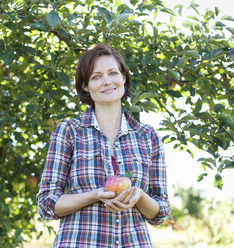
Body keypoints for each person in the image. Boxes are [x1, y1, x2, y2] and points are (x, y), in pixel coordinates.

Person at [37, 44, 170, 247]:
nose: (107, 81)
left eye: (113, 73)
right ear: (85, 86)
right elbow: (47, 203)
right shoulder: (69, 132)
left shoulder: (147, 136)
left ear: (123, 77)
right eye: (96, 76)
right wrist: (94, 195)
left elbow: (160, 212)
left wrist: (139, 196)